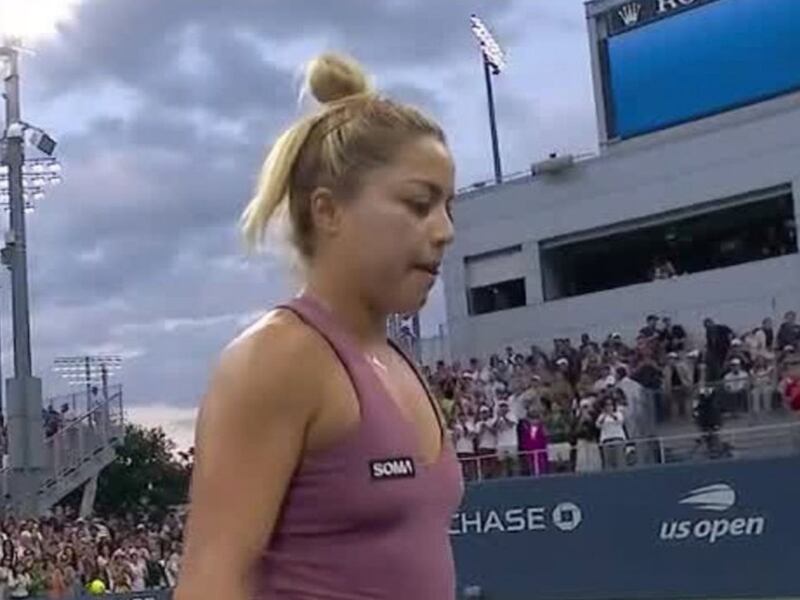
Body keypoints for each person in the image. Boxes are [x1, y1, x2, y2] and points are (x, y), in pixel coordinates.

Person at [175, 53, 462, 600]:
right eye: (419, 204)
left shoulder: (398, 361)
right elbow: (210, 582)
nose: (445, 230)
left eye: (450, 207)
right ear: (328, 212)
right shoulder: (277, 360)